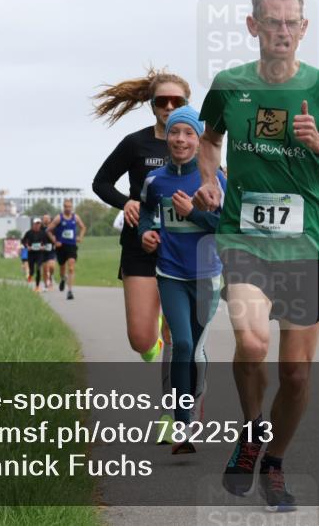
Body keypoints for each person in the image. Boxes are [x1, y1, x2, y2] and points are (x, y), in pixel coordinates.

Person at [194, 0, 319, 510]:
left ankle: (273, 460)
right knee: (251, 343)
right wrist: (208, 178)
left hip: (308, 244)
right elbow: (209, 137)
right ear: (253, 26)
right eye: (272, 22)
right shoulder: (228, 84)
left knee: (295, 374)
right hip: (245, 237)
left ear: (304, 28)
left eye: (292, 22)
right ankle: (251, 432)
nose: (283, 32)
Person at [92, 67, 190, 443]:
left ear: (186, 104)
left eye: (176, 101)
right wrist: (127, 202)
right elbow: (101, 182)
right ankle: (157, 349)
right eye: (161, 101)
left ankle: (174, 413)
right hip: (139, 246)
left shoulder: (198, 142)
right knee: (141, 338)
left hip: (183, 250)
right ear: (152, 106)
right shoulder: (136, 144)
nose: (168, 107)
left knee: (178, 335)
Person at [139, 106, 226, 454]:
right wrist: (146, 234)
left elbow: (227, 230)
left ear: (200, 139)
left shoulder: (215, 180)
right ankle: (182, 422)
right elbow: (147, 211)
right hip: (170, 273)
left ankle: (191, 409)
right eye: (175, 132)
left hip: (207, 276)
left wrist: (196, 213)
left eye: (189, 133)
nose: (180, 139)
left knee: (197, 347)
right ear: (168, 137)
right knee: (182, 344)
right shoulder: (155, 180)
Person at [51, 198, 87, 300]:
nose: (68, 208)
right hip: (61, 247)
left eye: (69, 206)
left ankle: (70, 291)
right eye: (66, 206)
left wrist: (80, 237)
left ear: (72, 207)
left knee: (71, 267)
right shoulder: (59, 218)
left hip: (71, 245)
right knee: (62, 268)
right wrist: (55, 241)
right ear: (63, 207)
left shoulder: (75, 217)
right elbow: (49, 230)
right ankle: (63, 278)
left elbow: (83, 227)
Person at [22, 218, 56, 292]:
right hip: (31, 254)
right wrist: (27, 246)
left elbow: (45, 242)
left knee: (38, 268)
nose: (37, 225)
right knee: (32, 270)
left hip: (39, 254)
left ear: (40, 225)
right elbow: (23, 241)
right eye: (36, 224)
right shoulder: (29, 233)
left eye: (39, 224)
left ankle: (37, 287)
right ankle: (30, 275)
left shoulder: (42, 233)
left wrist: (43, 246)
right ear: (33, 224)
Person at [41, 213, 56, 290]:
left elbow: (56, 239)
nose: (46, 219)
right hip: (42, 252)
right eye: (45, 218)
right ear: (42, 220)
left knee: (51, 266)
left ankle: (51, 277)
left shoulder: (53, 229)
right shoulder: (39, 229)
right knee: (44, 269)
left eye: (48, 218)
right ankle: (45, 284)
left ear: (50, 220)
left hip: (51, 251)